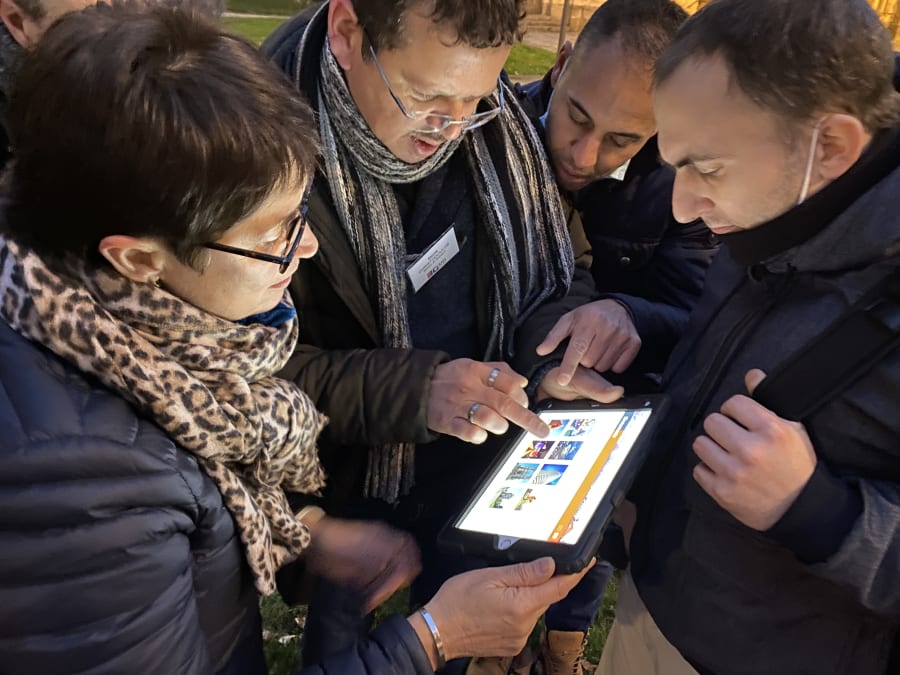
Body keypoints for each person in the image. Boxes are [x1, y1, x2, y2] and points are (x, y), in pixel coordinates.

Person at [0, 4, 594, 673]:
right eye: (274, 233)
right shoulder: (82, 488)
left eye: (301, 214)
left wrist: (305, 536)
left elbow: (200, 489)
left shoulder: (153, 347)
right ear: (138, 259)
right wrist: (433, 637)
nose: (306, 246)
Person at [262, 1, 623, 669]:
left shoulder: (501, 124)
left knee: (455, 625)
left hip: (477, 462)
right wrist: (416, 390)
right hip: (346, 471)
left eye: (474, 101)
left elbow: (555, 269)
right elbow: (243, 366)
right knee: (343, 626)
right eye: (426, 98)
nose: (452, 130)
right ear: (348, 33)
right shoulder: (252, 143)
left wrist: (549, 355)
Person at [598, 1, 900, 673]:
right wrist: (634, 322)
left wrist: (820, 512)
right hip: (657, 604)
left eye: (706, 169)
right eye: (673, 164)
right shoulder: (779, 200)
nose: (682, 206)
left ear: (833, 147)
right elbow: (731, 344)